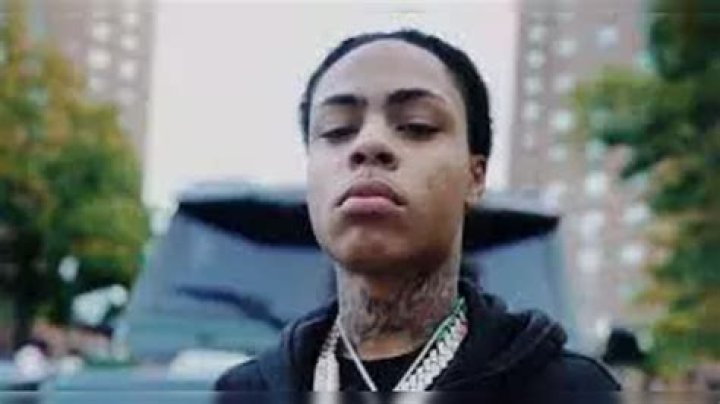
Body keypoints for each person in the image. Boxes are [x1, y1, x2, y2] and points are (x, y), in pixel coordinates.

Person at [215, 29, 620, 395]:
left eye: (417, 125)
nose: (368, 144)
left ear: (475, 176)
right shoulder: (246, 392)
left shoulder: (569, 390)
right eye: (337, 129)